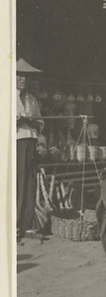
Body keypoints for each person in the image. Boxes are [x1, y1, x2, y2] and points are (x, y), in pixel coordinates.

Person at [16, 59, 44, 243]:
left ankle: (27, 225)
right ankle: (15, 225)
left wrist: (28, 120)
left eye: (26, 76)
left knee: (30, 182)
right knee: (19, 182)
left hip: (32, 141)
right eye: (20, 75)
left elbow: (40, 122)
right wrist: (25, 120)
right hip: (17, 142)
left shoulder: (32, 100)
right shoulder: (8, 96)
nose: (23, 79)